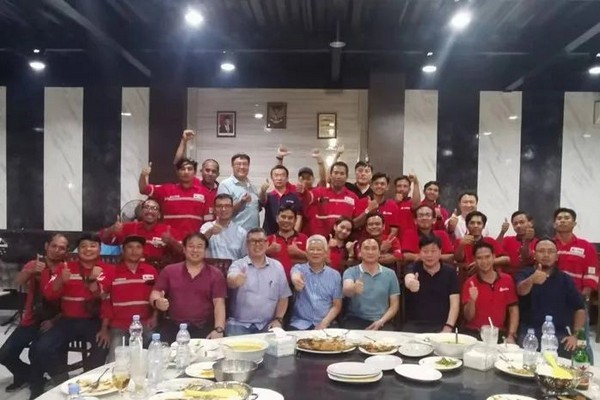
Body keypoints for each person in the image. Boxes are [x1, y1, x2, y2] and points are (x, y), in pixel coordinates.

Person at [31, 234, 112, 398]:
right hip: (66, 320)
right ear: (77, 250)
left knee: (102, 346)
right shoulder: (65, 267)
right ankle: (62, 382)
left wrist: (104, 328)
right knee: (42, 347)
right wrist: (60, 280)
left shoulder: (108, 269)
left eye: (92, 246)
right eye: (83, 246)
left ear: (99, 249)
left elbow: (105, 298)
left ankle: (89, 382)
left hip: (93, 321)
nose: (88, 249)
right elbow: (49, 294)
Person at [0, 234, 67, 393]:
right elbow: (18, 281)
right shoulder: (34, 264)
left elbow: (70, 302)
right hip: (31, 319)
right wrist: (30, 272)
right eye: (54, 246)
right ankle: (30, 376)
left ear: (66, 251)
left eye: (62, 248)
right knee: (4, 354)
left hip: (55, 320)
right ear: (46, 246)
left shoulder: (66, 269)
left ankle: (37, 384)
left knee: (36, 351)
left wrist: (55, 321)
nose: (57, 250)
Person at [150, 233, 227, 343]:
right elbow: (155, 293)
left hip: (204, 327)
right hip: (173, 326)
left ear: (205, 250)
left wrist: (219, 329)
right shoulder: (169, 271)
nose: (195, 250)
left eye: (199, 246)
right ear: (184, 249)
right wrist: (157, 302)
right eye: (191, 246)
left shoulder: (216, 274)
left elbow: (219, 304)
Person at [516, 239, 585, 358]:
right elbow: (521, 290)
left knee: (567, 360)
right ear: (534, 255)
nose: (546, 255)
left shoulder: (566, 279)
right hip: (530, 332)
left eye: (550, 251)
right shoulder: (525, 273)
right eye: (541, 251)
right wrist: (532, 280)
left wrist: (575, 335)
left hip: (559, 335)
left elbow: (580, 308)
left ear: (557, 256)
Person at [101, 236, 159, 362]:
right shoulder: (112, 272)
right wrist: (104, 328)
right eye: (130, 247)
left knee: (157, 357)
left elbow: (157, 296)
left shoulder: (151, 270)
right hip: (119, 326)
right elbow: (105, 300)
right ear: (123, 250)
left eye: (138, 247)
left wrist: (155, 316)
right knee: (115, 362)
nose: (134, 251)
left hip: (145, 325)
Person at [226, 228, 291, 336]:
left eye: (261, 241)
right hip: (239, 324)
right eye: (253, 241)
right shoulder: (238, 265)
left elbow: (283, 296)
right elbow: (231, 280)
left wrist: (278, 319)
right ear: (247, 244)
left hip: (268, 324)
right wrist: (236, 280)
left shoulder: (277, 267)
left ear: (267, 243)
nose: (257, 244)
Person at [462, 242, 519, 343]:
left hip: (498, 333)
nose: (484, 261)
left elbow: (513, 310)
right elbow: (468, 317)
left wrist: (511, 335)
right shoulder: (469, 283)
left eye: (487, 257)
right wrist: (472, 300)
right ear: (474, 260)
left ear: (494, 257)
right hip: (474, 333)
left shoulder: (507, 279)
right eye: (479, 258)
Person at [139, 158, 210, 236]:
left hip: (193, 240)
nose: (186, 172)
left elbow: (207, 221)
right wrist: (143, 175)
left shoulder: (204, 193)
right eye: (182, 169)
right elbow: (143, 189)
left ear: (195, 172)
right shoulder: (166, 189)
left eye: (189, 169)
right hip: (169, 239)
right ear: (177, 172)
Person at [403, 235, 459, 333]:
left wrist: (448, 327)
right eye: (425, 251)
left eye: (433, 251)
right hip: (415, 325)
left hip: (442, 325)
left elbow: (454, 303)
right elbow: (408, 277)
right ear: (420, 253)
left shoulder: (450, 272)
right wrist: (411, 283)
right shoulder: (413, 267)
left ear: (440, 252)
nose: (429, 255)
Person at [342, 239, 400, 330]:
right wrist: (353, 288)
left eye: (374, 248)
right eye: (366, 248)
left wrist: (381, 321)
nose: (370, 252)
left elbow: (394, 305)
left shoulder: (390, 274)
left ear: (379, 253)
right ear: (360, 252)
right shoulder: (351, 271)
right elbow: (346, 290)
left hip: (383, 320)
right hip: (356, 320)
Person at [99, 199, 183, 262]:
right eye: (146, 207)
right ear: (141, 211)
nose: (150, 211)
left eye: (154, 208)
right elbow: (103, 239)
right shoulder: (128, 228)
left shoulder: (168, 230)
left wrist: (171, 241)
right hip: (132, 270)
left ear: (159, 215)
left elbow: (184, 252)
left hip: (159, 271)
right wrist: (111, 229)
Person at [289, 235, 343, 330]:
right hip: (300, 323)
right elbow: (294, 274)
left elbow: (336, 305)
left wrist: (324, 323)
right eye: (312, 249)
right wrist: (296, 279)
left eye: (319, 250)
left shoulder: (335, 275)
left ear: (325, 253)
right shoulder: (299, 268)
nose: (315, 252)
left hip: (326, 323)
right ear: (306, 253)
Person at [298, 161, 360, 237]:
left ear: (346, 177)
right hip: (320, 241)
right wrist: (303, 192)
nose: (338, 176)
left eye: (342, 174)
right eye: (336, 173)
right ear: (330, 175)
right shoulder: (319, 192)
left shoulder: (353, 197)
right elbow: (308, 197)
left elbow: (356, 221)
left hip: (342, 241)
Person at [173, 129, 220, 223]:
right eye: (207, 170)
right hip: (194, 227)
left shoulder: (221, 189)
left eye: (213, 171)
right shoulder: (194, 184)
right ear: (201, 171)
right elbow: (178, 163)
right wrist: (184, 140)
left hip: (214, 228)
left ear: (218, 174)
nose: (210, 173)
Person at [553, 208, 598, 303]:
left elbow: (592, 273)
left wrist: (583, 297)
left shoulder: (587, 247)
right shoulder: (548, 245)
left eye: (567, 218)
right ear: (554, 224)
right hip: (551, 295)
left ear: (574, 224)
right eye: (559, 218)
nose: (562, 221)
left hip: (576, 296)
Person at [217, 153, 260, 231]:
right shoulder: (225, 185)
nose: (242, 167)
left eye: (245, 164)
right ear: (232, 166)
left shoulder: (252, 187)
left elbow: (255, 209)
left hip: (253, 234)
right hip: (234, 234)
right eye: (238, 164)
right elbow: (223, 213)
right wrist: (242, 202)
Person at [200, 193, 247, 260]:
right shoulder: (206, 227)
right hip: (211, 266)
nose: (223, 209)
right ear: (214, 209)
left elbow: (245, 257)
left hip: (234, 266)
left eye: (227, 206)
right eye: (219, 206)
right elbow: (198, 245)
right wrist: (210, 232)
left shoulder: (241, 232)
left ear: (232, 208)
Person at [266, 206, 307, 280]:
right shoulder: (268, 239)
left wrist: (299, 253)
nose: (286, 220)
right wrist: (268, 251)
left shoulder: (304, 239)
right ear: (277, 218)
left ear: (295, 220)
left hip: (299, 282)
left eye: (290, 218)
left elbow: (317, 260)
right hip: (274, 282)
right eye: (283, 217)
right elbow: (254, 259)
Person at [353, 173, 399, 238]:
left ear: (387, 187)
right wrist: (368, 210)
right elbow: (355, 225)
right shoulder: (361, 202)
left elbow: (394, 230)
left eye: (382, 184)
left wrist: (385, 242)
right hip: (365, 242)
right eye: (376, 184)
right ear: (371, 186)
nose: (379, 186)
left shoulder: (392, 205)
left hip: (385, 242)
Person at [260, 165, 302, 235]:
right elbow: (262, 200)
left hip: (289, 236)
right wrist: (262, 191)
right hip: (269, 235)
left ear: (287, 178)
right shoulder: (268, 196)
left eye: (282, 175)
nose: (279, 178)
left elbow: (299, 216)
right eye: (276, 175)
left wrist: (295, 234)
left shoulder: (294, 196)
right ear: (272, 178)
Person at [499, 210, 537, 276]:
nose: (518, 226)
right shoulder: (507, 240)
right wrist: (502, 232)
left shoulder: (537, 243)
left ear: (530, 223)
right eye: (515, 224)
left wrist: (527, 241)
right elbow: (494, 249)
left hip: (528, 277)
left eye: (522, 222)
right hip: (508, 278)